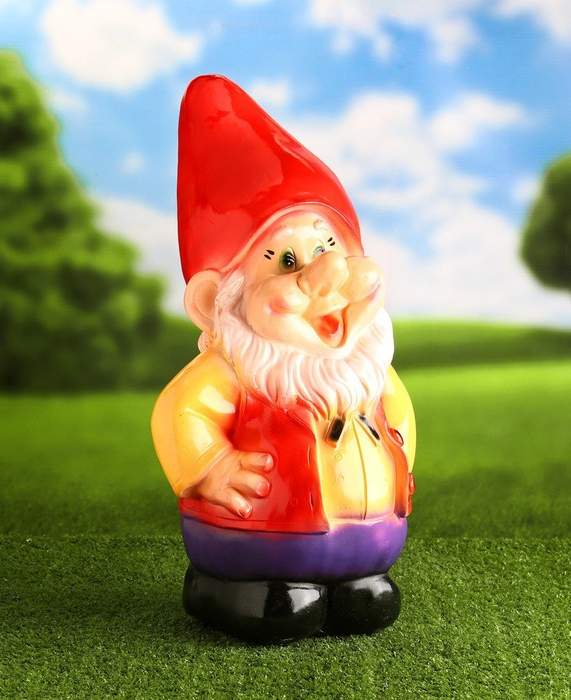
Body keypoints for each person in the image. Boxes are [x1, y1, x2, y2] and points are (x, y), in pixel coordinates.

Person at [152, 75, 415, 644]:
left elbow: (398, 413)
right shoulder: (234, 372)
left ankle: (358, 582)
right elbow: (180, 411)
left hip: (370, 543)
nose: (326, 277)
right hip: (256, 543)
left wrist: (399, 459)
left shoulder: (367, 368)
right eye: (288, 261)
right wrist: (211, 467)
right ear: (216, 301)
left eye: (330, 247)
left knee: (366, 604)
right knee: (279, 606)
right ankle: (239, 589)